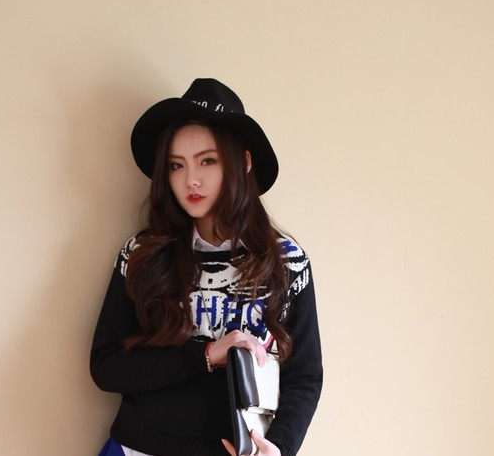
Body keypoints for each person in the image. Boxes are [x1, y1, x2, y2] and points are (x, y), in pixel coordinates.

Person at [90, 78, 323, 456]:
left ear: (243, 162)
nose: (191, 180)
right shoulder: (142, 255)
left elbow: (305, 375)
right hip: (137, 449)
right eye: (176, 165)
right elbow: (106, 367)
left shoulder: (285, 261)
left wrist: (279, 447)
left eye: (207, 161)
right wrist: (206, 354)